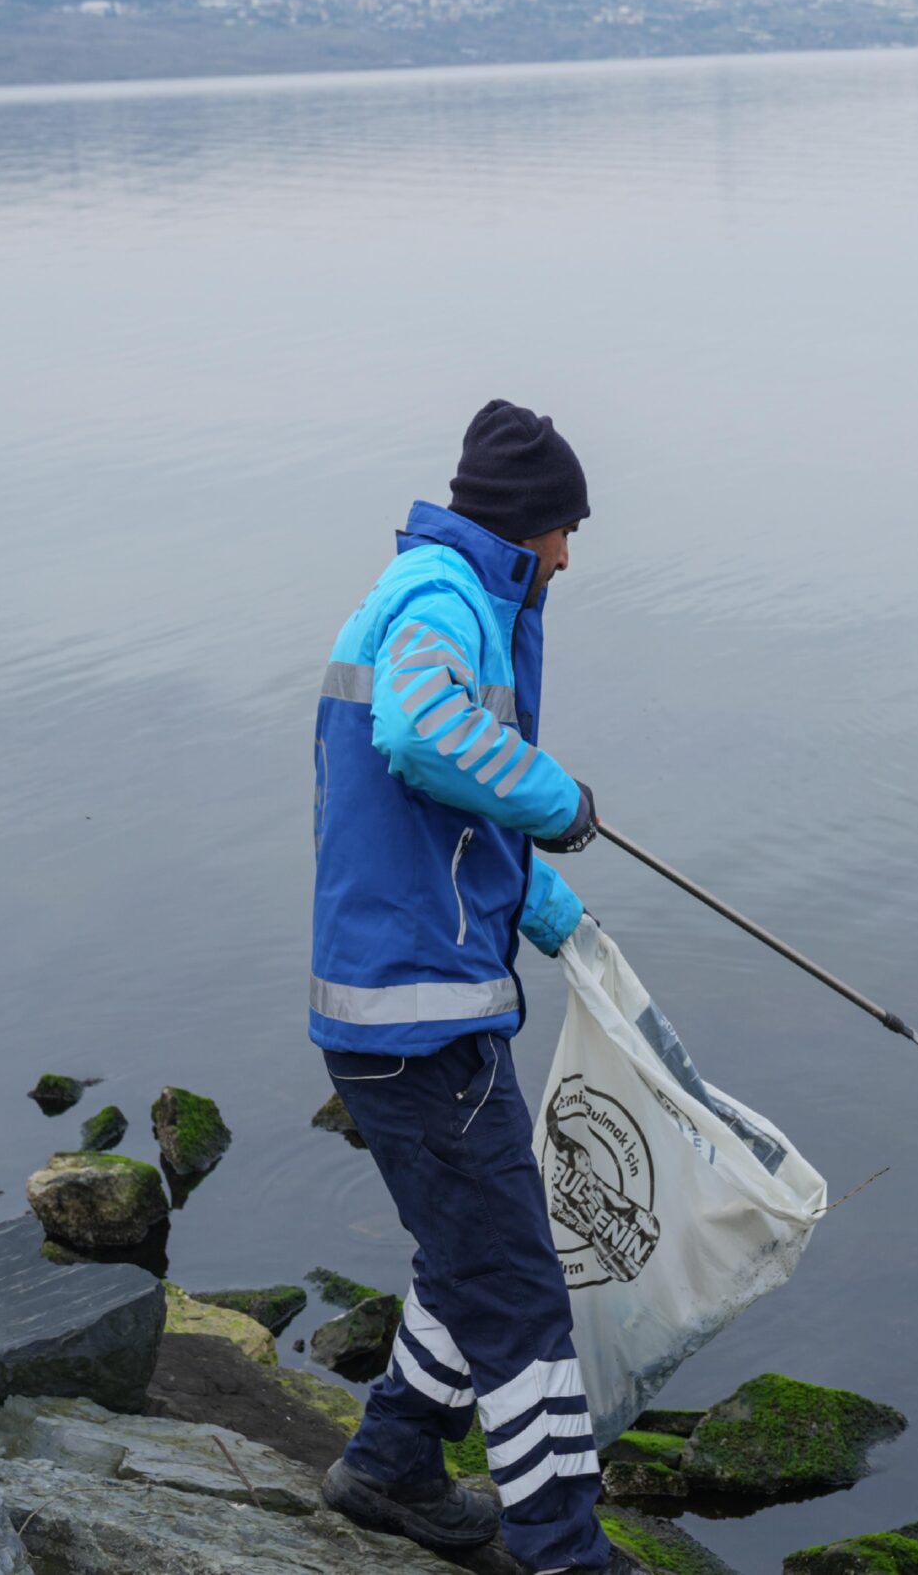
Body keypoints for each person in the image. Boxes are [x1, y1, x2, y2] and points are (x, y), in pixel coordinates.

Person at [310, 399, 634, 1573]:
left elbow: (430, 818)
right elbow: (422, 733)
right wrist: (557, 796)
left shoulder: (451, 592)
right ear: (528, 522)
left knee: (468, 1253)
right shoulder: (445, 598)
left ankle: (391, 1465)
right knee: (518, 1295)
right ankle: (563, 1550)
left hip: (415, 1000)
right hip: (416, 1019)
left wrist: (554, 916)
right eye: (564, 529)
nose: (568, 554)